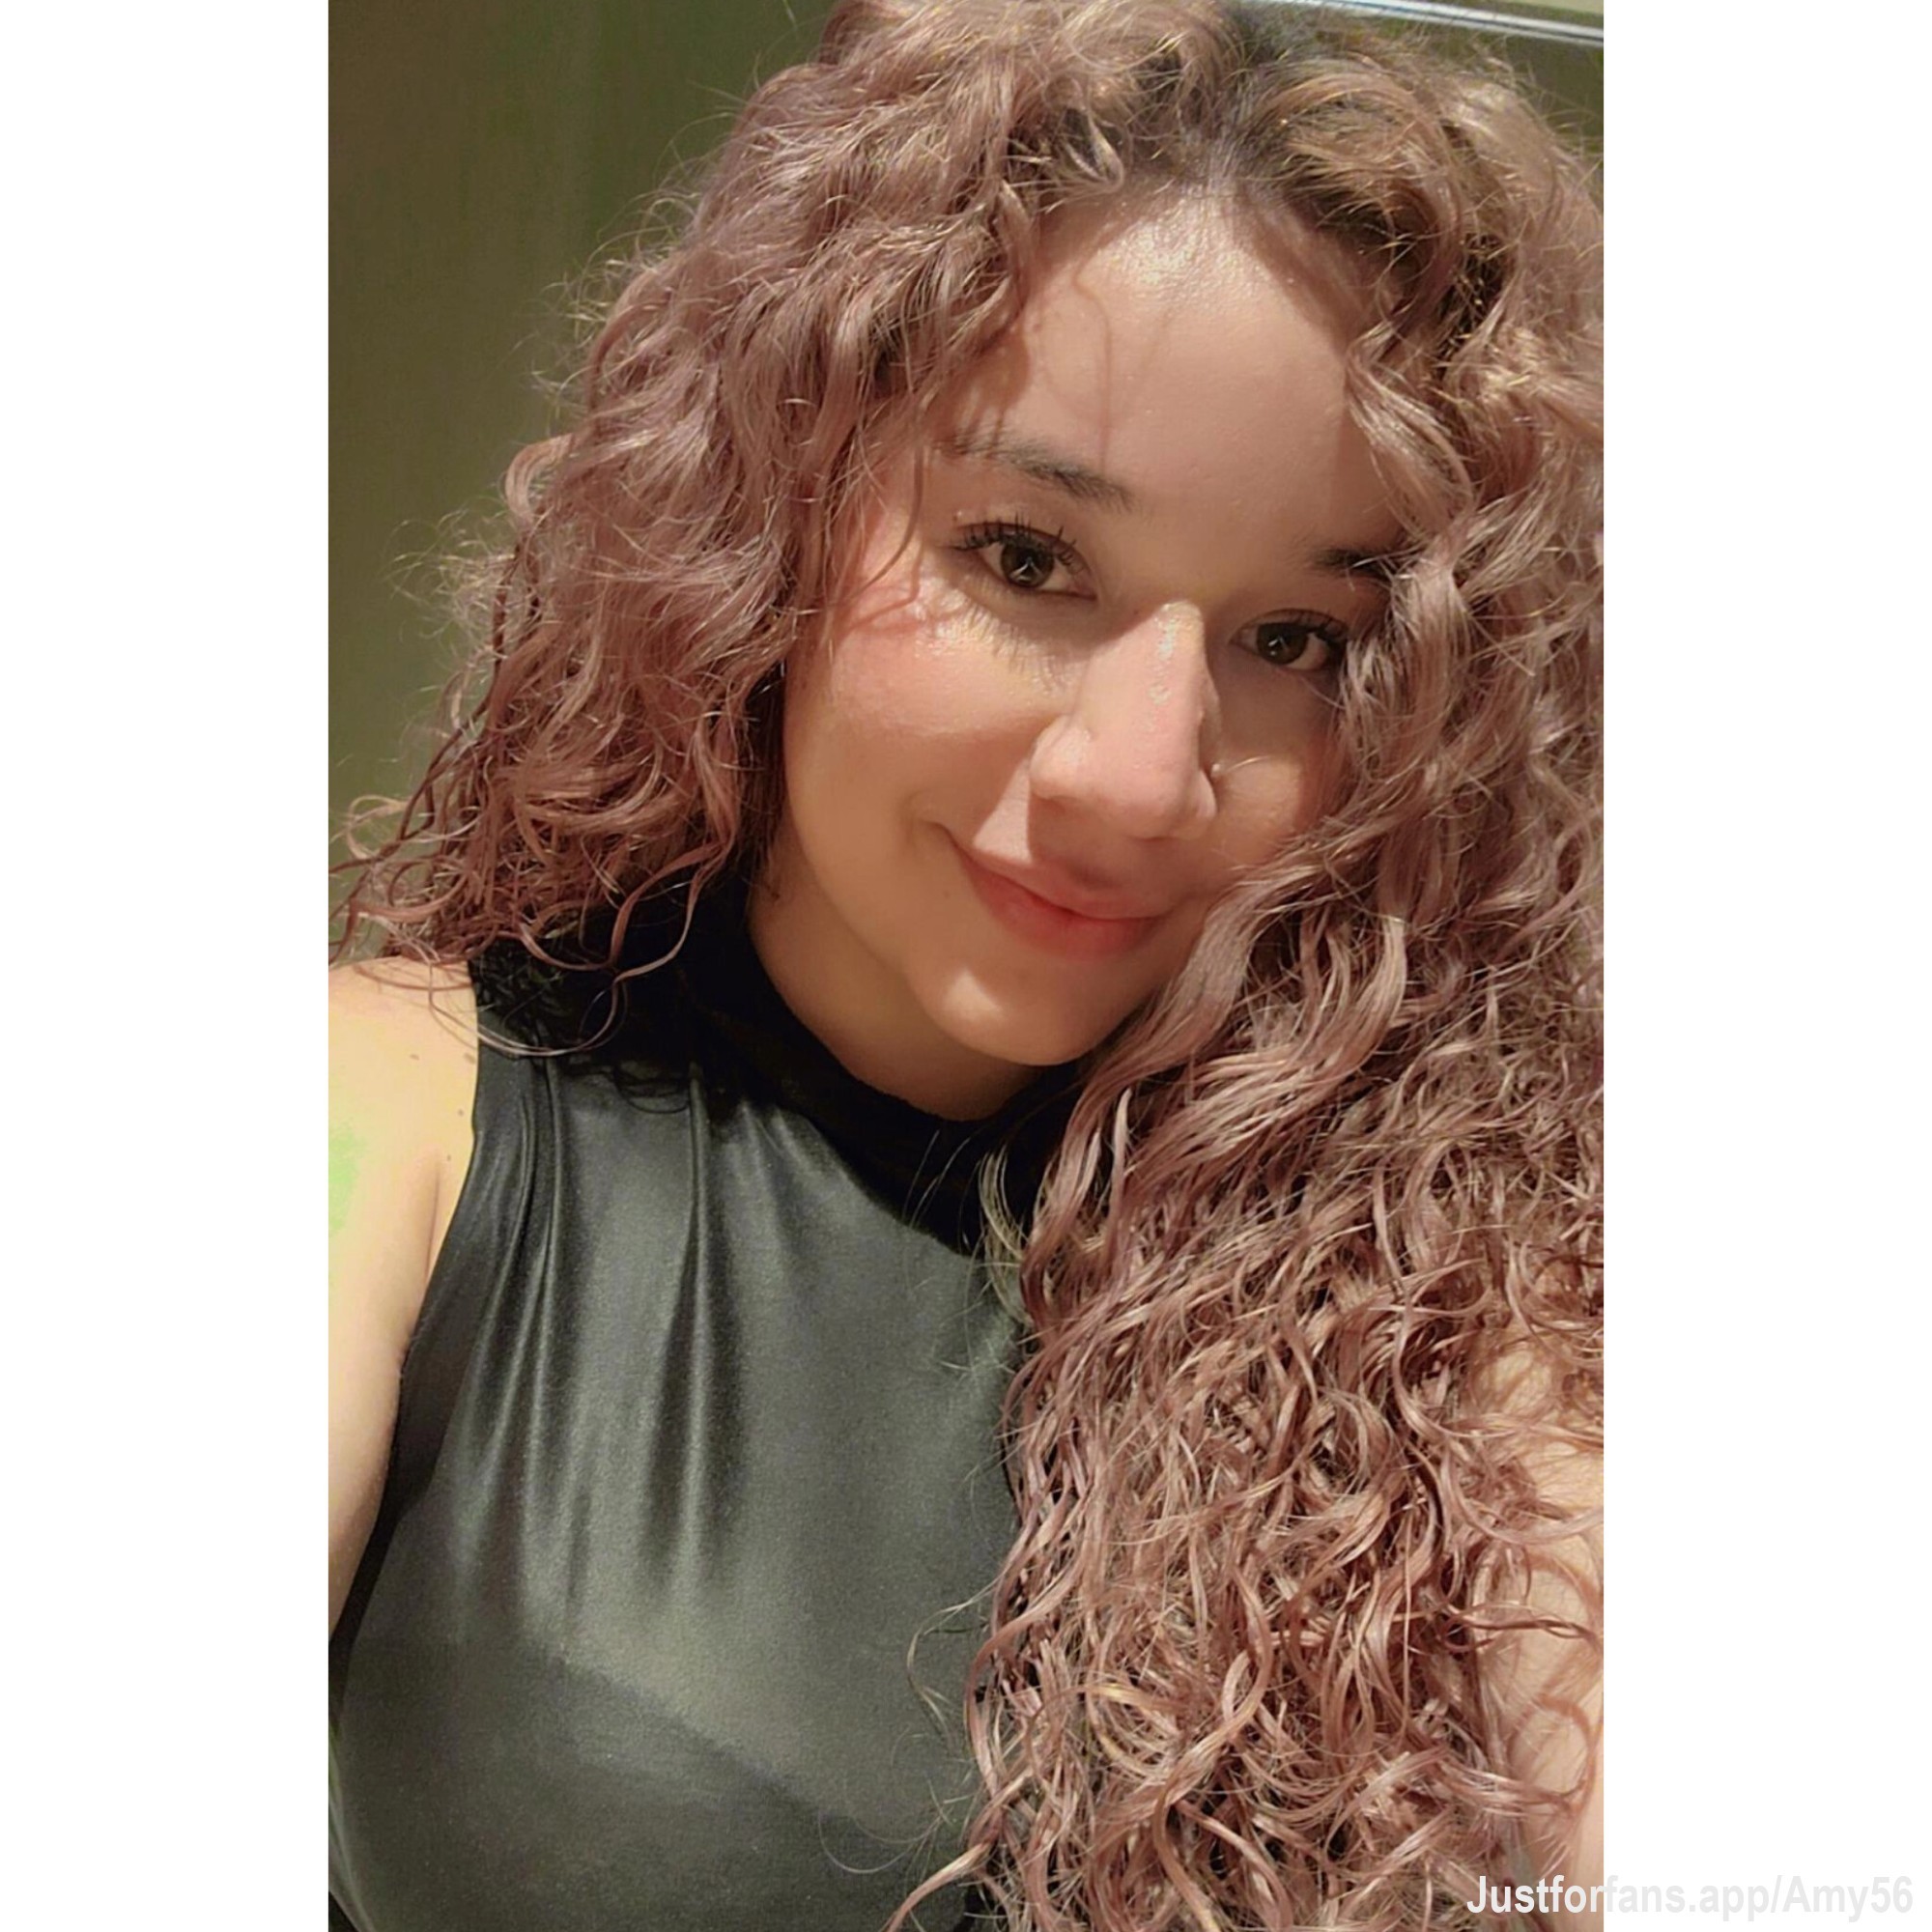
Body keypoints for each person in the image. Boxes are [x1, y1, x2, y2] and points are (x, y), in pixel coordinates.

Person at [328, 1, 1603, 1927]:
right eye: (1024, 558)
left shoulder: (1454, 1296)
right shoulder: (381, 1125)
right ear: (768, 515)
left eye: (1298, 644)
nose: (1139, 780)